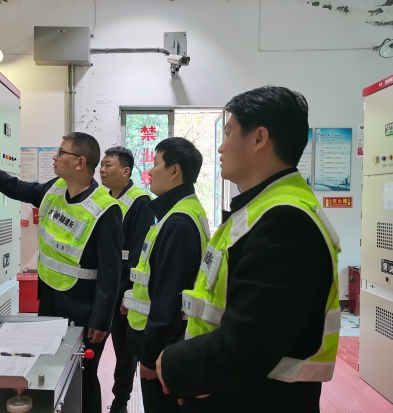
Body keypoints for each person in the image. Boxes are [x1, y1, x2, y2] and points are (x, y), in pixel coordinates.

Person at [156, 86, 341, 413]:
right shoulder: (257, 211)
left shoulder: (286, 221)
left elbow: (248, 346)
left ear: (259, 139)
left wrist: (174, 365)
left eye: (228, 133)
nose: (221, 147)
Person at [0, 132, 123, 413]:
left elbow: (110, 273)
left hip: (84, 308)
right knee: (50, 367)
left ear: (80, 162)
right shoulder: (56, 189)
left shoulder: (105, 208)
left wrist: (102, 320)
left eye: (61, 152)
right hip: (50, 297)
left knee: (84, 375)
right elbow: (16, 188)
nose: (55, 157)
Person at [122, 137, 211, 413]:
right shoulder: (179, 213)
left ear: (175, 170)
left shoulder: (178, 222)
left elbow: (169, 298)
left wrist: (151, 358)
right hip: (165, 347)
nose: (150, 171)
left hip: (163, 353)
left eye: (156, 163)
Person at [99, 146, 155, 413]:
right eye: (101, 165)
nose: (102, 170)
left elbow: (139, 254)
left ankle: (120, 401)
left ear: (126, 171)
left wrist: (127, 294)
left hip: (122, 290)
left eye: (108, 165)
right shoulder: (101, 198)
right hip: (102, 287)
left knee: (124, 351)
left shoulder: (140, 202)